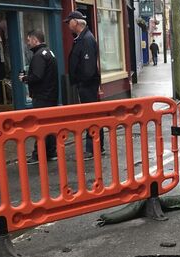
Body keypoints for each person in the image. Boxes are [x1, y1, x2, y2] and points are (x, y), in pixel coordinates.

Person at [65, 10, 104, 158]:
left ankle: (93, 148)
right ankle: (96, 147)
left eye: (69, 22)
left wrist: (82, 81)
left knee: (91, 116)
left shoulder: (86, 39)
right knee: (92, 115)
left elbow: (88, 67)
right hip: (86, 84)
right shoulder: (81, 38)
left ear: (76, 22)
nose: (68, 25)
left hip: (87, 84)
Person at [21, 30, 59, 163]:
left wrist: (25, 78)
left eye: (29, 40)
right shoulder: (49, 53)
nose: (28, 42)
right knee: (49, 125)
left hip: (42, 97)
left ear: (35, 40)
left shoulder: (39, 55)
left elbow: (37, 76)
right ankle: (51, 152)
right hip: (51, 95)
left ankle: (38, 154)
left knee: (40, 126)